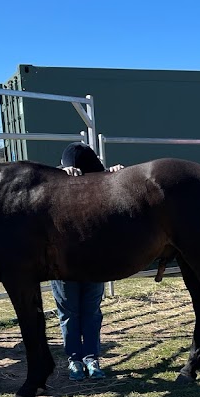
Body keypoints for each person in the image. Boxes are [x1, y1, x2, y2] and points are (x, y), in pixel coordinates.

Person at [49, 143, 122, 381]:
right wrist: (63, 173)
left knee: (89, 312)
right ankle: (76, 360)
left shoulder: (98, 187)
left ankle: (89, 358)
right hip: (67, 264)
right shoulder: (53, 186)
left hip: (90, 261)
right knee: (71, 313)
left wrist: (116, 175)